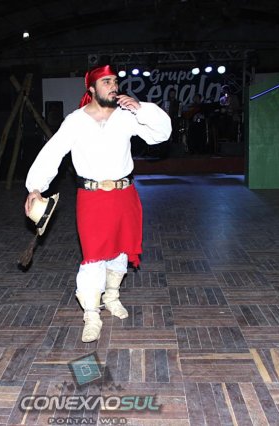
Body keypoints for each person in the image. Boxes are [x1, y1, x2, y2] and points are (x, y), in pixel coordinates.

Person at [23, 65, 171, 343]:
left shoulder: (127, 116)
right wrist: (36, 187)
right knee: (93, 255)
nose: (114, 86)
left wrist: (141, 109)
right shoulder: (76, 121)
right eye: (106, 82)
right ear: (91, 89)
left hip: (125, 194)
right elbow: (53, 152)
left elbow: (161, 134)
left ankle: (112, 296)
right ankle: (91, 314)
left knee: (121, 250)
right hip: (91, 197)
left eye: (115, 81)